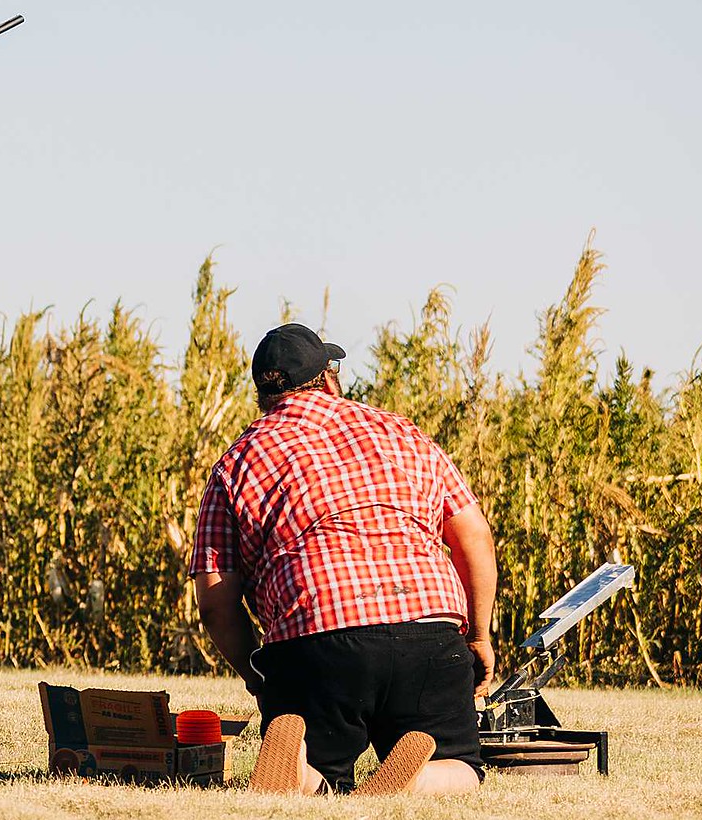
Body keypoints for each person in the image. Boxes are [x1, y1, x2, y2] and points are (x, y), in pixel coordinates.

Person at [189, 323, 498, 795]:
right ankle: (422, 779)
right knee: (463, 767)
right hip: (429, 631)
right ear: (328, 379)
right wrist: (478, 635)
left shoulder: (238, 461)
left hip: (317, 637)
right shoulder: (402, 432)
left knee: (324, 772)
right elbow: (473, 536)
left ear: (263, 395)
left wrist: (258, 675)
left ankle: (304, 768)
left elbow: (214, 600)